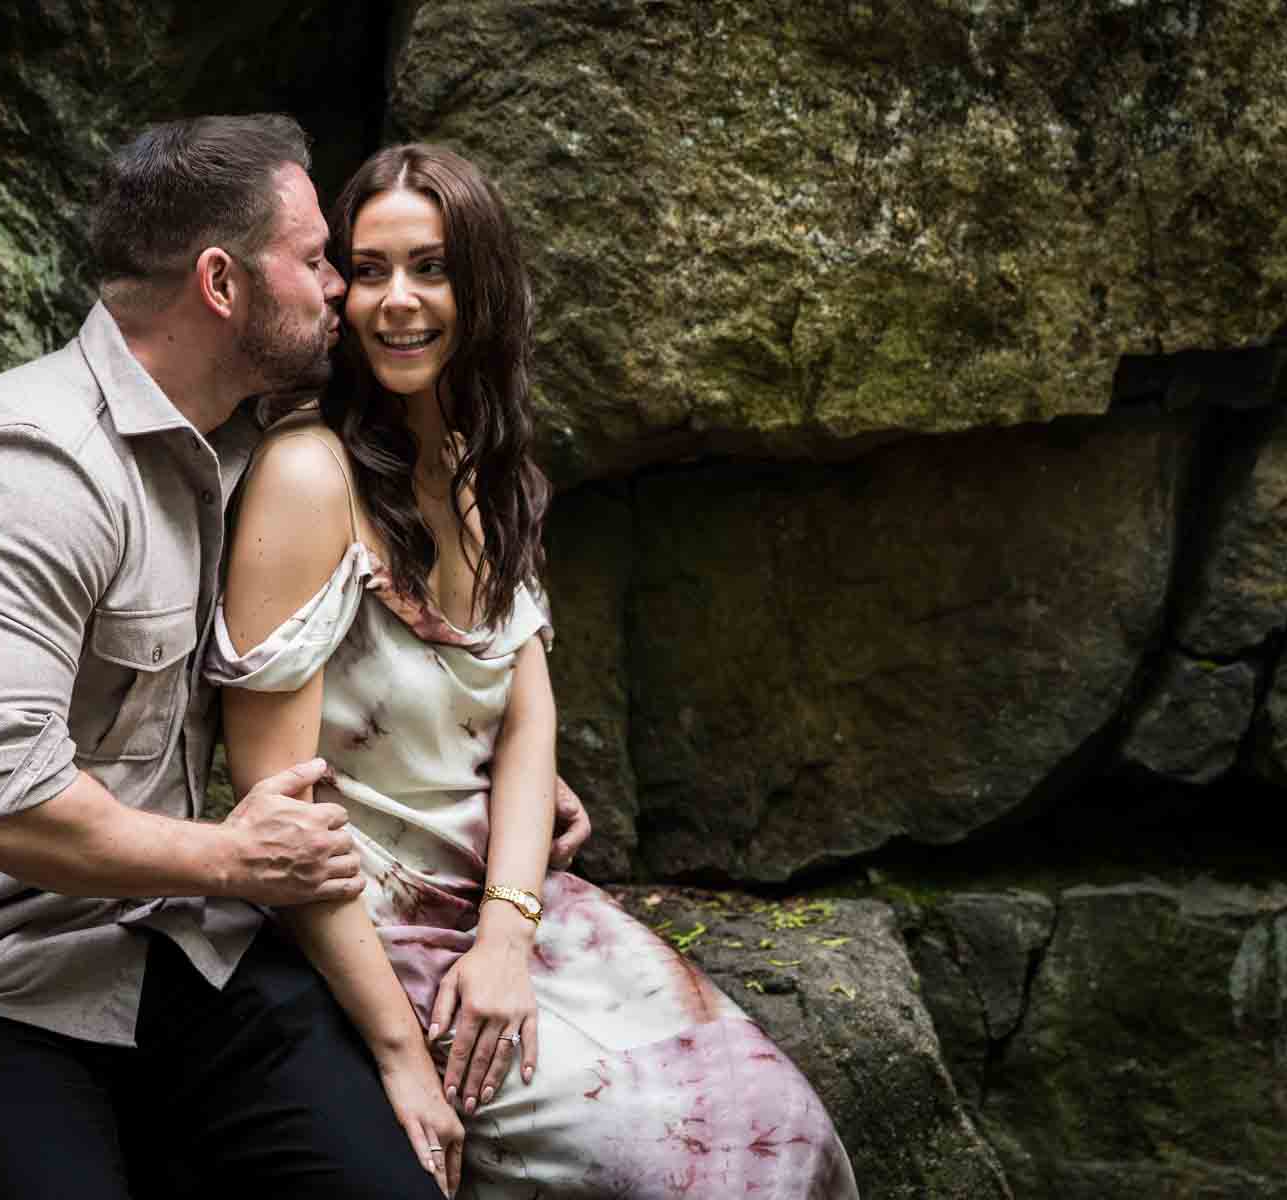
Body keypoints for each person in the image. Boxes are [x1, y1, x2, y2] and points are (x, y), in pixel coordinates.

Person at [0, 114, 586, 1200]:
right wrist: (238, 864)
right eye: (322, 259)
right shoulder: (24, 467)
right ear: (224, 284)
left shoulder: (253, 443)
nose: (343, 289)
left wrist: (476, 743)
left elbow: (356, 644)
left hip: (197, 951)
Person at [207, 142, 860, 1198]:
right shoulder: (306, 475)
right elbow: (280, 814)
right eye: (368, 271)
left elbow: (524, 719)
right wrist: (396, 1053)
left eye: (431, 268)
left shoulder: (485, 465)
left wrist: (510, 929)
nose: (397, 302)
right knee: (655, 1162)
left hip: (504, 908)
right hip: (369, 938)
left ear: (485, 285)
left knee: (779, 1125)